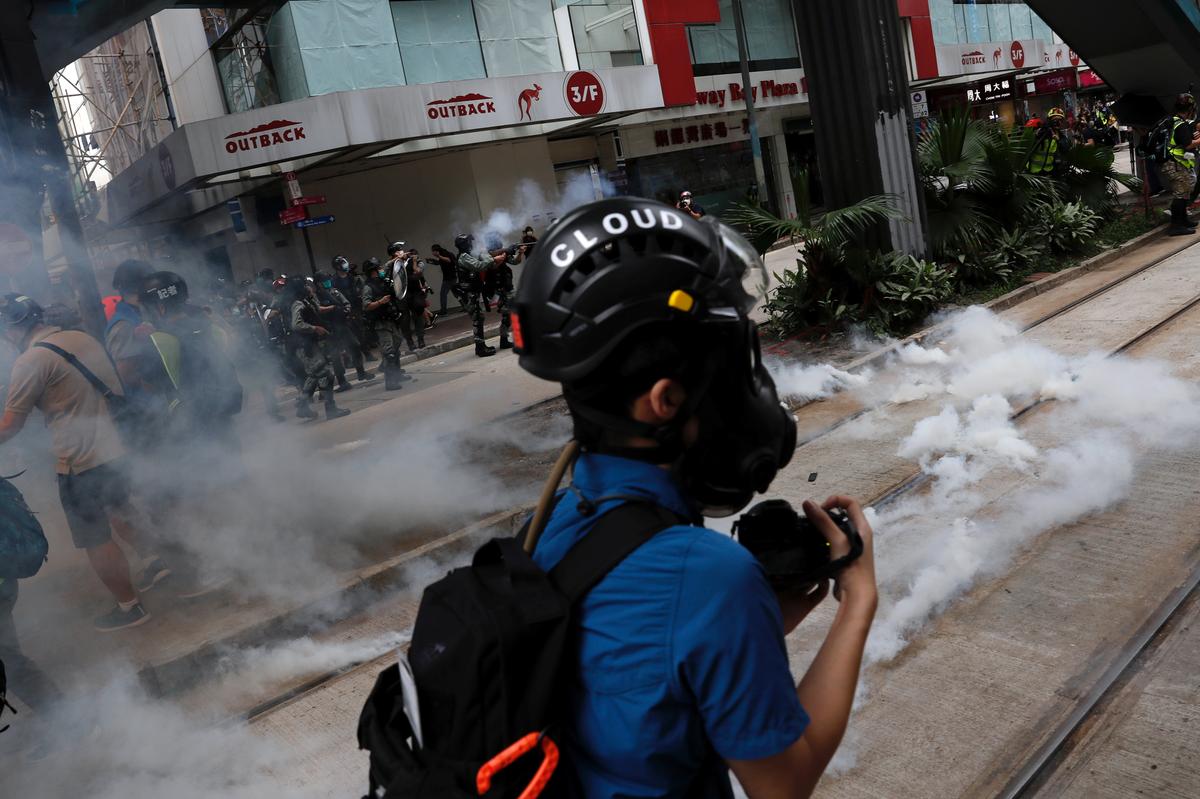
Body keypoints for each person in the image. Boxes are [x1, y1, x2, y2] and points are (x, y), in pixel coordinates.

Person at [512, 198, 877, 797]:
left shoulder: (548, 524)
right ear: (666, 400)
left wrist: (741, 636)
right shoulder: (708, 576)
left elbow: (622, 677)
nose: (753, 388)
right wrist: (858, 599)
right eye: (735, 365)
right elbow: (784, 782)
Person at [0, 294, 154, 631]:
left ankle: (130, 606)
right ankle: (159, 563)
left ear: (11, 329)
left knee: (94, 536)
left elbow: (10, 425)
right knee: (122, 509)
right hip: (116, 446)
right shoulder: (82, 338)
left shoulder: (32, 360)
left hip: (80, 459)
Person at [287, 279, 351, 420]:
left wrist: (334, 308)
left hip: (310, 344)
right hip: (304, 346)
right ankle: (331, 409)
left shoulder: (306, 301)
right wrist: (315, 328)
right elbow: (296, 325)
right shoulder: (297, 303)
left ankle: (303, 406)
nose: (309, 287)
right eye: (305, 285)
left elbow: (318, 309)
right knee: (325, 375)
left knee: (314, 375)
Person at [316, 269, 372, 384]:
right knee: (336, 355)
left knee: (355, 346)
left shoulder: (334, 292)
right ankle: (342, 381)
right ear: (319, 283)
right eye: (324, 281)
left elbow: (346, 303)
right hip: (330, 329)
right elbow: (317, 310)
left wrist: (346, 310)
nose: (327, 282)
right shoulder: (317, 296)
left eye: (328, 280)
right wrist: (331, 308)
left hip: (342, 325)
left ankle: (361, 372)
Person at [454, 233, 505, 357]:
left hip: (472, 292)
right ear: (464, 245)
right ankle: (480, 348)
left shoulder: (467, 255)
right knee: (477, 318)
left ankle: (480, 347)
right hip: (469, 293)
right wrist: (491, 257)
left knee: (479, 318)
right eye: (469, 242)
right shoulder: (464, 257)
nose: (471, 244)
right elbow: (480, 266)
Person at [361, 257, 409, 390]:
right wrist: (380, 302)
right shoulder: (368, 287)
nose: (381, 270)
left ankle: (397, 374)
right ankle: (390, 381)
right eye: (378, 268)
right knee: (389, 352)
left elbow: (390, 267)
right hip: (380, 323)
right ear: (373, 271)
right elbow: (366, 306)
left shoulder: (382, 281)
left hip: (391, 319)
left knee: (396, 345)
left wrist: (399, 258)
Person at [1160, 93, 1200, 235]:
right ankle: (1176, 226)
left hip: (1176, 163)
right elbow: (1188, 145)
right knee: (1180, 194)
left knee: (1184, 193)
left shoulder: (1174, 121)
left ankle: (1183, 220)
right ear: (1189, 109)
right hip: (1175, 164)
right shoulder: (1180, 124)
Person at [384, 241, 419, 353]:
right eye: (399, 250)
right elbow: (386, 267)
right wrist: (398, 259)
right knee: (405, 320)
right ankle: (410, 342)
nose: (402, 251)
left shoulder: (409, 261)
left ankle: (421, 339)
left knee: (417, 315)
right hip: (400, 295)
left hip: (413, 293)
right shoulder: (391, 264)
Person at [1028, 107, 1069, 175]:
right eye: (1055, 120)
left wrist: (1058, 140)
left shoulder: (1061, 136)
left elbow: (1065, 149)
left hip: (1049, 171)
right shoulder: (1041, 133)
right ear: (1049, 120)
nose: (1058, 122)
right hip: (1033, 172)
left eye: (1060, 120)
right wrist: (1037, 135)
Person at [429, 244, 459, 317]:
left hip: (449, 278)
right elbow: (442, 262)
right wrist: (432, 261)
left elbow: (448, 260)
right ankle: (466, 307)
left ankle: (444, 311)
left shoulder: (444, 253)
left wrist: (438, 256)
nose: (432, 253)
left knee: (443, 294)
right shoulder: (444, 253)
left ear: (436, 251)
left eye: (433, 251)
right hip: (450, 277)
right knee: (456, 293)